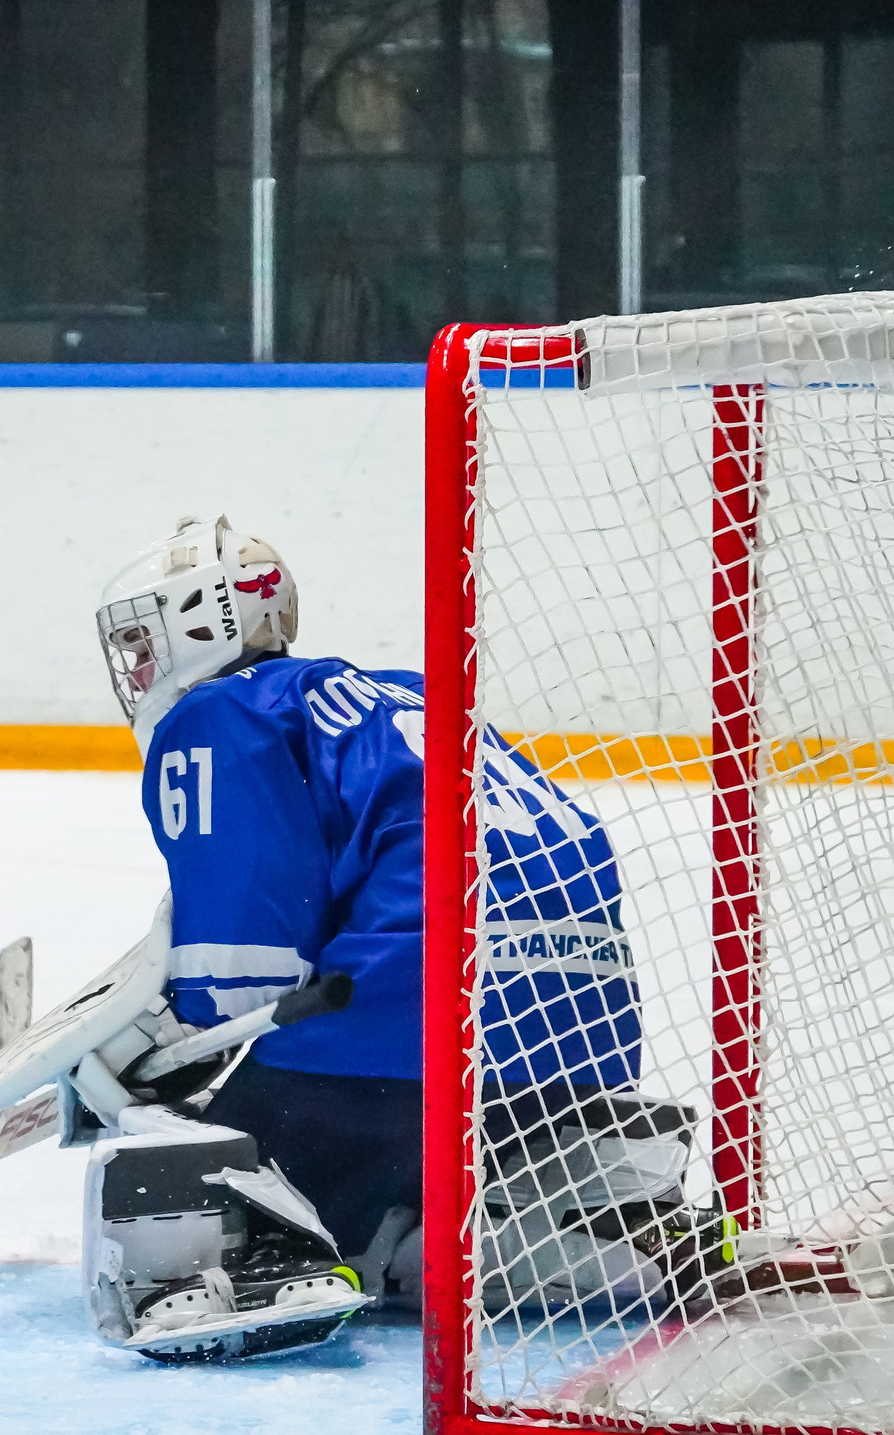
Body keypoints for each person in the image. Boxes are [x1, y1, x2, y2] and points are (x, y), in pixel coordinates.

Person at [75, 516, 716, 1361]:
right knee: (406, 1072)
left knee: (163, 1134)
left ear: (204, 621)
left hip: (410, 1034)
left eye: (143, 642)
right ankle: (575, 1201)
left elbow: (243, 961)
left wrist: (169, 1064)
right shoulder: (409, 692)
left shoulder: (223, 715)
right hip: (581, 1049)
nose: (138, 670)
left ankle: (275, 1256)